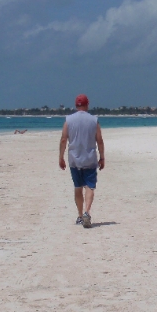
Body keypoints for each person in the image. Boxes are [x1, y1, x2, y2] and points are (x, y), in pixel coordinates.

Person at [59, 94, 105, 229]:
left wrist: (61, 157)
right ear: (87, 104)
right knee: (90, 186)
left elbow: (63, 139)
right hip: (90, 158)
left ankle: (80, 215)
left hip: (74, 159)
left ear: (76, 105)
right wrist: (102, 157)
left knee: (78, 187)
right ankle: (87, 212)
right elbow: (100, 140)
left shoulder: (69, 120)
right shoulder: (93, 120)